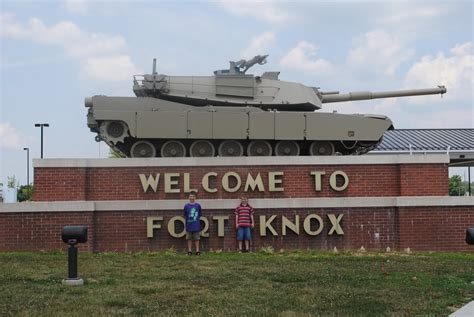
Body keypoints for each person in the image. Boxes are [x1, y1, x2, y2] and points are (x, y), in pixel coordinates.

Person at [184, 191, 202, 255]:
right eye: (191, 196)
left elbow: (199, 215)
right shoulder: (186, 206)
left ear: (195, 197)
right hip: (189, 225)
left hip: (196, 225)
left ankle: (197, 251)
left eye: (193, 196)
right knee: (189, 239)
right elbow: (185, 215)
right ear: (189, 197)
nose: (192, 198)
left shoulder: (198, 206)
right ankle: (189, 251)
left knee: (197, 239)